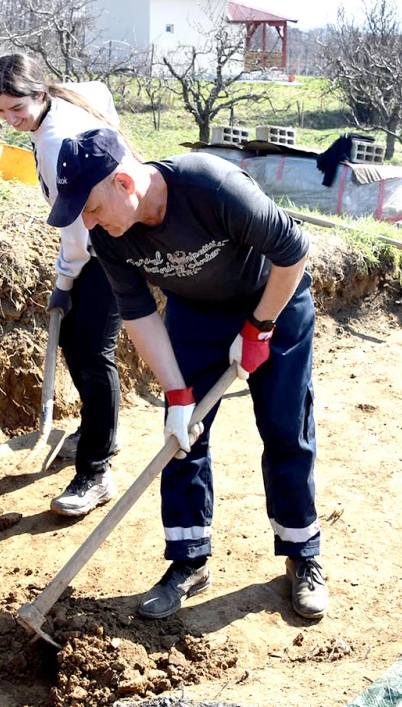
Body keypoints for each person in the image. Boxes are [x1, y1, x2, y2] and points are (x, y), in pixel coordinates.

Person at [48, 128, 328, 620]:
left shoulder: (211, 186)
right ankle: (188, 561)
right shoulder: (108, 236)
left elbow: (293, 252)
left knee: (285, 428)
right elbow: (138, 316)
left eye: (90, 207)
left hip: (274, 302)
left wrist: (259, 328)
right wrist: (177, 395)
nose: (87, 221)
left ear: (123, 183)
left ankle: (302, 553)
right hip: (196, 315)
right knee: (183, 438)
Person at [0, 53, 125, 517]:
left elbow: (78, 233)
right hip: (98, 234)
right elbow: (101, 89)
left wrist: (64, 280)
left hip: (111, 243)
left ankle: (96, 471)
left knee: (92, 351)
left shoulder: (53, 140)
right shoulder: (64, 99)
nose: (9, 120)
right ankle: (99, 429)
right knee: (72, 340)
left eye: (16, 110)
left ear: (40, 94)